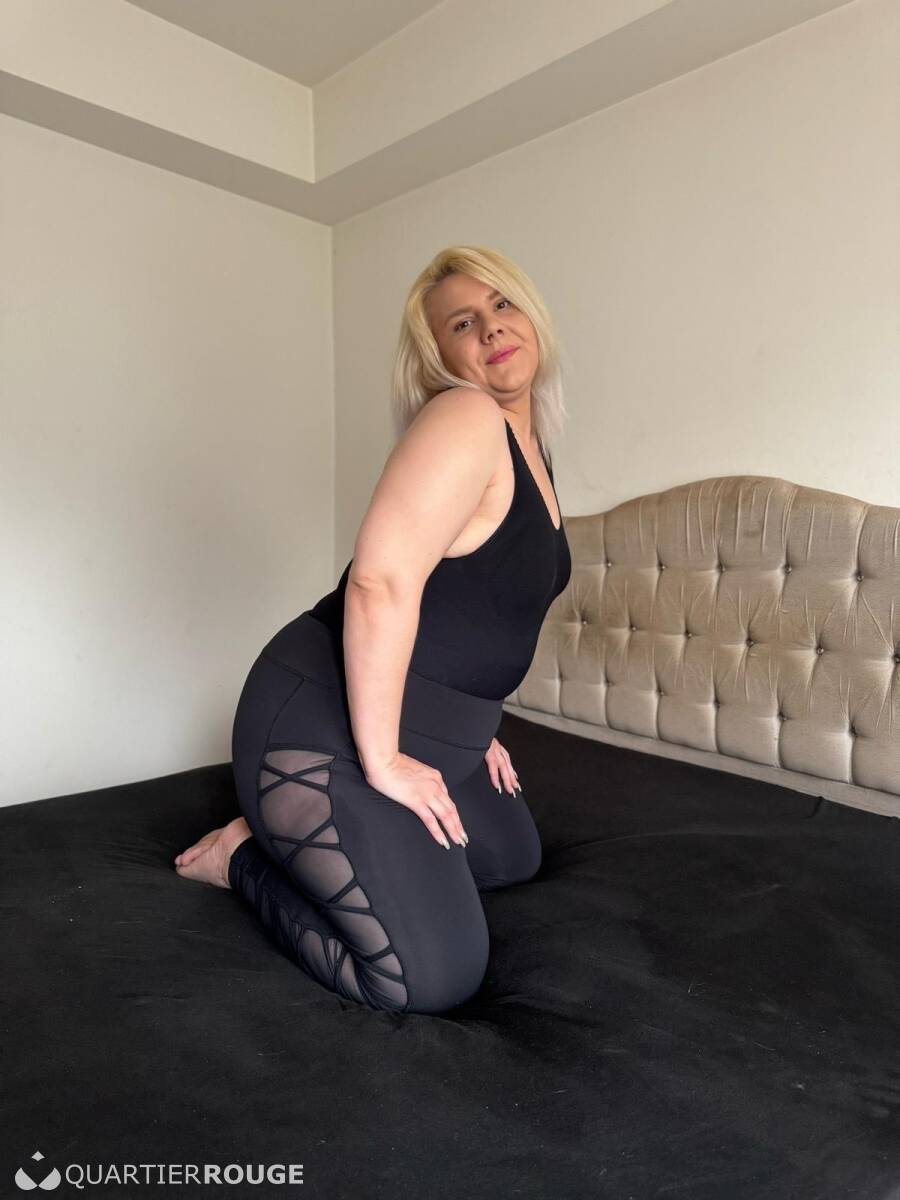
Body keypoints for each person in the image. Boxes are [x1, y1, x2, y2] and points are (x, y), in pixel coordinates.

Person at [173, 245, 571, 1013]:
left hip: (427, 728)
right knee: (426, 979)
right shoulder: (467, 417)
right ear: (441, 357)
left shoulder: (533, 450)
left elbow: (483, 603)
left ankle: (322, 836)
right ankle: (242, 856)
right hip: (323, 722)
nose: (491, 327)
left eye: (501, 304)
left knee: (511, 859)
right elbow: (379, 582)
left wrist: (474, 724)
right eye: (463, 322)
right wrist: (384, 761)